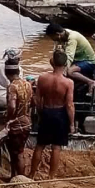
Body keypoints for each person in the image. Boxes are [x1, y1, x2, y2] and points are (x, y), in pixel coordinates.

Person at [30, 50, 75, 180]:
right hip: (60, 114)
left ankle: (32, 174)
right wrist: (71, 124)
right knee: (56, 147)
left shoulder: (43, 78)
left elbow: (38, 100)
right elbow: (69, 105)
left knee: (40, 145)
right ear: (65, 64)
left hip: (46, 111)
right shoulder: (68, 83)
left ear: (52, 62)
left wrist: (40, 114)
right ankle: (51, 177)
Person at [48, 23, 95, 94]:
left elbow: (69, 56)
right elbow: (56, 54)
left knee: (70, 72)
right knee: (52, 60)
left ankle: (91, 82)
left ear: (57, 34)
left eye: (52, 37)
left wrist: (63, 73)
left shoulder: (72, 37)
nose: (53, 40)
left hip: (88, 61)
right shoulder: (61, 36)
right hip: (77, 60)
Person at [4, 59, 33, 179]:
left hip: (17, 125)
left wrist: (9, 119)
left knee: (18, 153)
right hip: (26, 122)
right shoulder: (27, 84)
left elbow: (12, 105)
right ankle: (13, 177)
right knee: (16, 152)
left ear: (6, 73)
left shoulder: (12, 86)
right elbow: (33, 102)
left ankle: (20, 179)